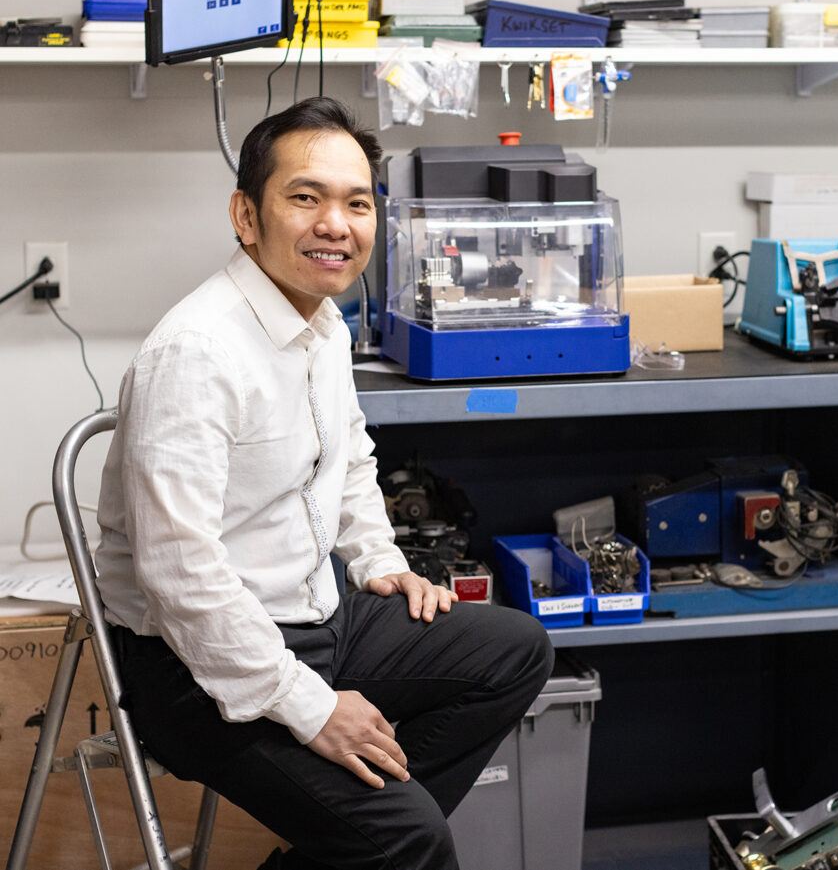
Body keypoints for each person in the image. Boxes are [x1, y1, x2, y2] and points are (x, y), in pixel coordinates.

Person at [94, 97, 554, 870]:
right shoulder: (197, 354)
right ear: (246, 215)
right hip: (195, 664)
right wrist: (314, 711)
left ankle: (349, 846)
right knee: (411, 836)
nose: (335, 224)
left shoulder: (323, 322)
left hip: (320, 617)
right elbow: (181, 577)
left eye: (356, 202)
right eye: (305, 197)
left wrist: (379, 560)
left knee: (517, 649)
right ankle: (374, 837)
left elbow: (348, 454)